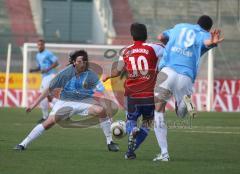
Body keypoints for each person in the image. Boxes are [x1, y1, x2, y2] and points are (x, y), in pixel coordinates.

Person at [14, 50, 119, 152]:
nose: (82, 64)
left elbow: (104, 92)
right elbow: (48, 90)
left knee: (101, 110)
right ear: (74, 62)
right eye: (79, 61)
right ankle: (23, 143)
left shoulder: (91, 75)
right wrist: (33, 105)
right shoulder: (65, 73)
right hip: (65, 102)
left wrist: (110, 112)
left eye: (84, 61)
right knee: (48, 123)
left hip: (84, 102)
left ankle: (110, 142)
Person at [153, 15, 224, 161]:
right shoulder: (204, 35)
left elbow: (160, 36)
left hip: (167, 72)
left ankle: (164, 153)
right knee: (181, 114)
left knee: (158, 111)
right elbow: (207, 42)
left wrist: (170, 44)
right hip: (185, 77)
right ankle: (185, 103)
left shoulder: (179, 26)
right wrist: (212, 42)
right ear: (208, 28)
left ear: (197, 22)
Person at [102, 23, 164, 159]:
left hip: (131, 94)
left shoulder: (125, 51)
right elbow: (169, 52)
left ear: (132, 35)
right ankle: (131, 150)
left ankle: (132, 131)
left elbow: (117, 71)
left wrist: (107, 75)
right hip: (148, 94)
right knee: (148, 122)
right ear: (146, 34)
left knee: (131, 120)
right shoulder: (154, 48)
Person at [30, 39, 59, 123]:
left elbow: (56, 63)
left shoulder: (48, 53)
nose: (39, 46)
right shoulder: (38, 55)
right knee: (49, 98)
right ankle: (63, 112)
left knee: (43, 95)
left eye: (41, 45)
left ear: (44, 45)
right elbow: (40, 67)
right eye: (38, 45)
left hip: (50, 76)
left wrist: (47, 69)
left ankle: (45, 116)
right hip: (45, 77)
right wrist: (34, 70)